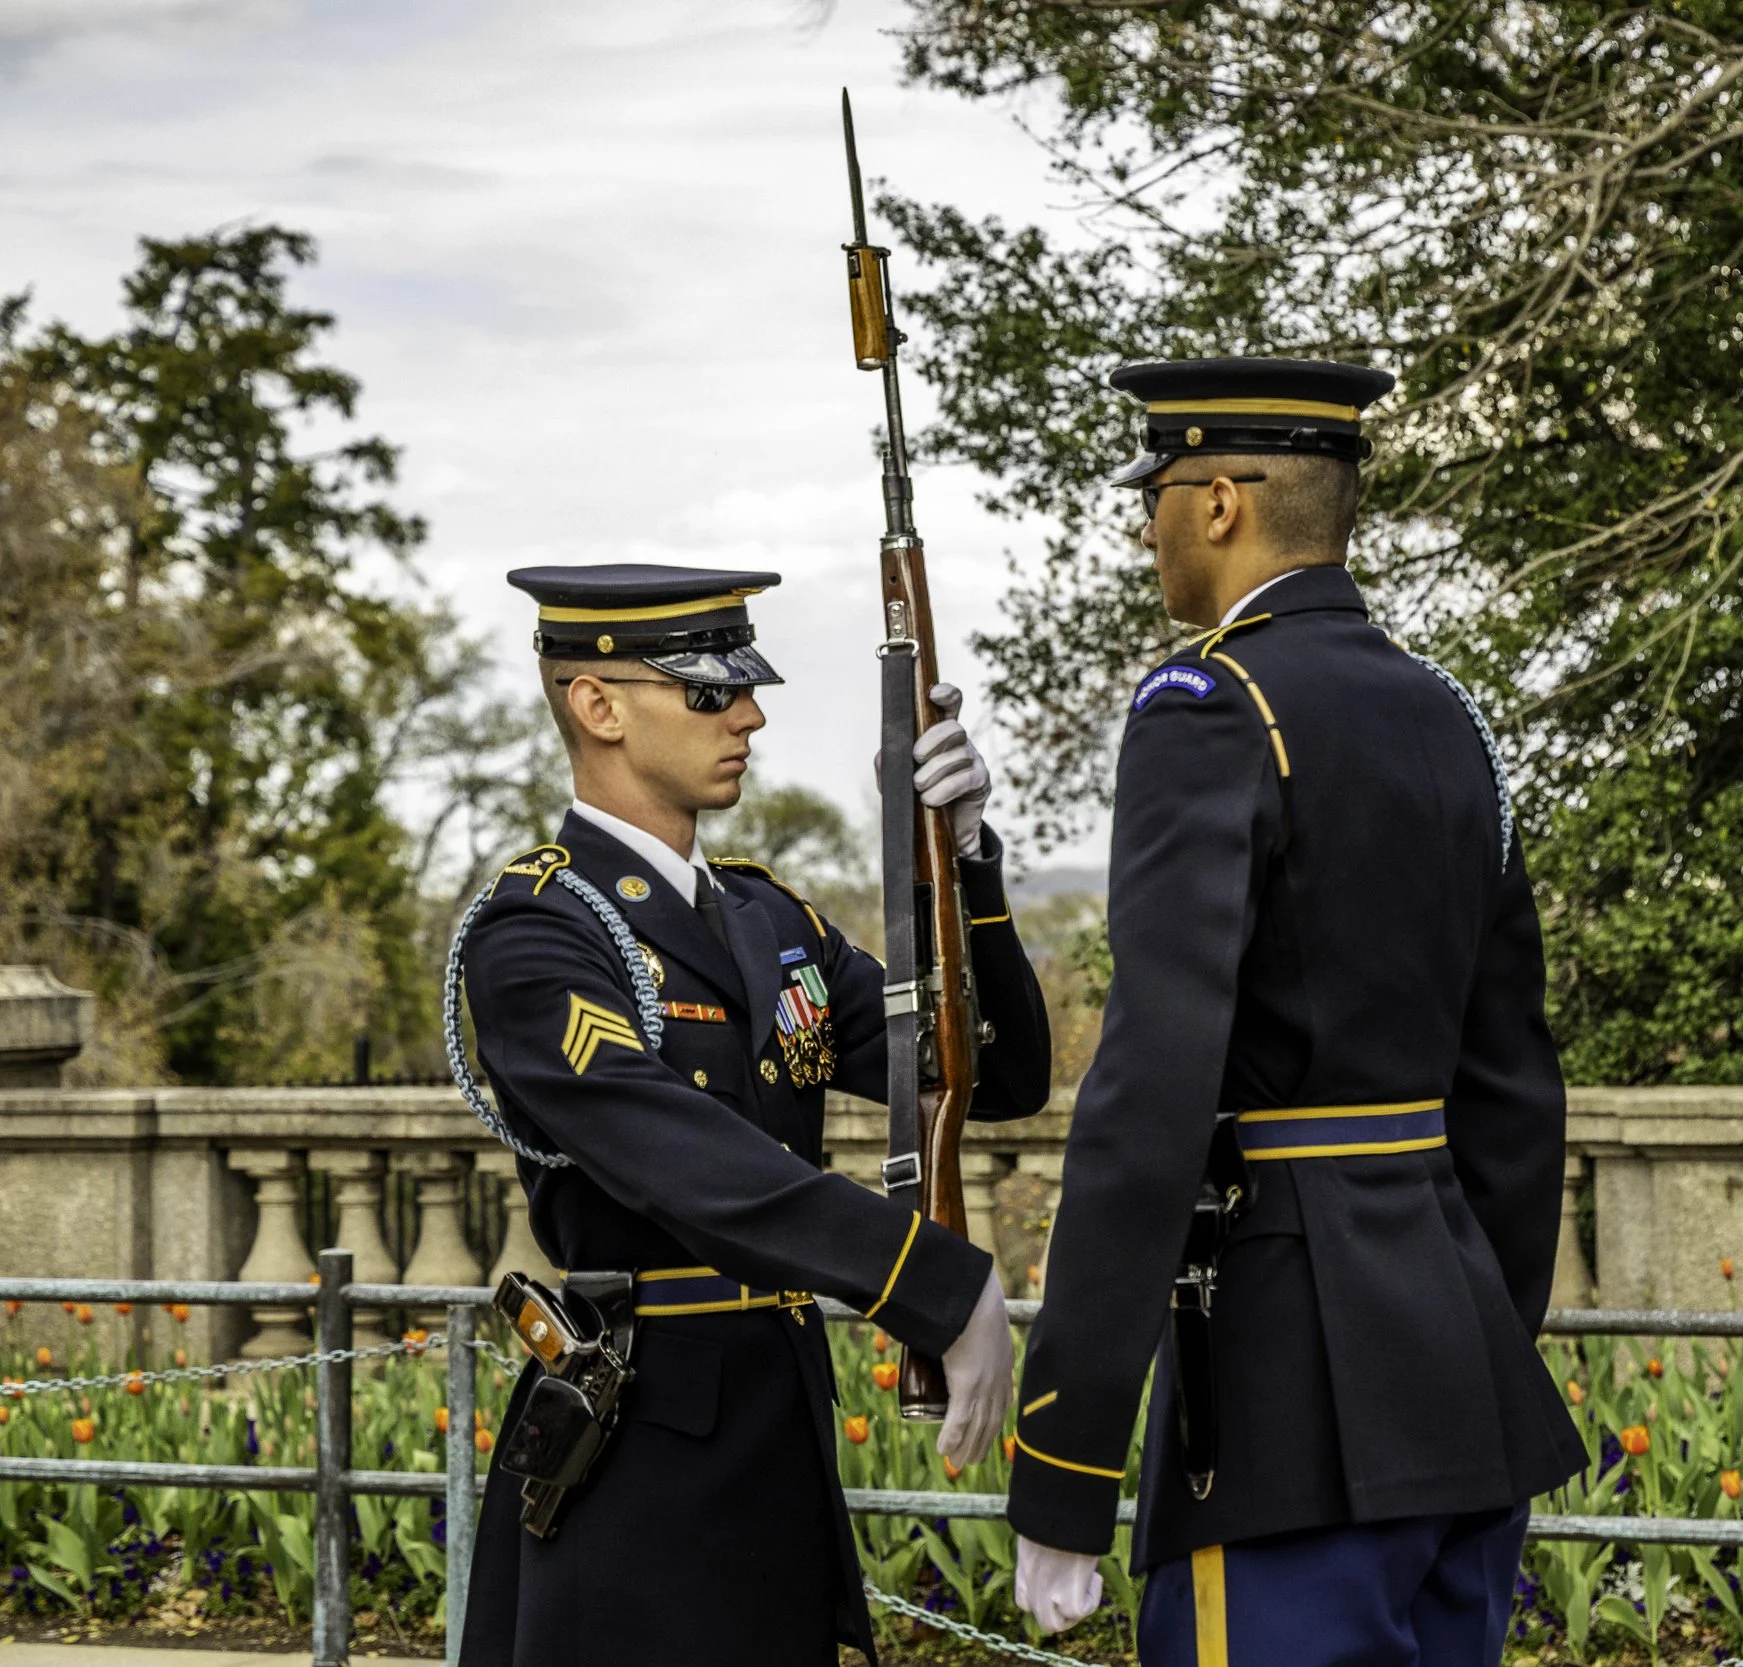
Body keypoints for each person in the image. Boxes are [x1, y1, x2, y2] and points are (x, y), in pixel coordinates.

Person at [1007, 361, 1585, 1664]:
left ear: (1219, 502)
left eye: (1156, 496)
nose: (1147, 530)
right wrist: (1478, 1337)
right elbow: (1511, 1077)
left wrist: (1065, 1458)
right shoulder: (1448, 715)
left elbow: (1152, 1088)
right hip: (1461, 1381)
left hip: (1282, 1398)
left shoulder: (1209, 706)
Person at [453, 563, 1051, 1666]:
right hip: (638, 1457)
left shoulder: (772, 922)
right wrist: (924, 1274)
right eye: (708, 691)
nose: (749, 715)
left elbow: (998, 1075)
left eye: (745, 687)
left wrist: (966, 865)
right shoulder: (536, 933)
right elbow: (679, 1153)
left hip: (779, 1436)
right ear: (598, 705)